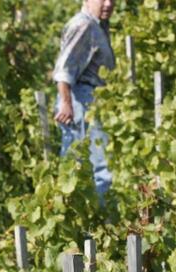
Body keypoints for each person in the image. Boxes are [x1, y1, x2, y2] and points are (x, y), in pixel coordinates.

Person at [53, 0, 116, 202]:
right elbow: (64, 70)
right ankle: (97, 219)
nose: (108, 4)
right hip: (81, 100)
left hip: (86, 99)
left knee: (82, 165)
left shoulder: (97, 25)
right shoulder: (85, 25)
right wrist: (66, 103)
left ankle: (87, 216)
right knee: (97, 167)